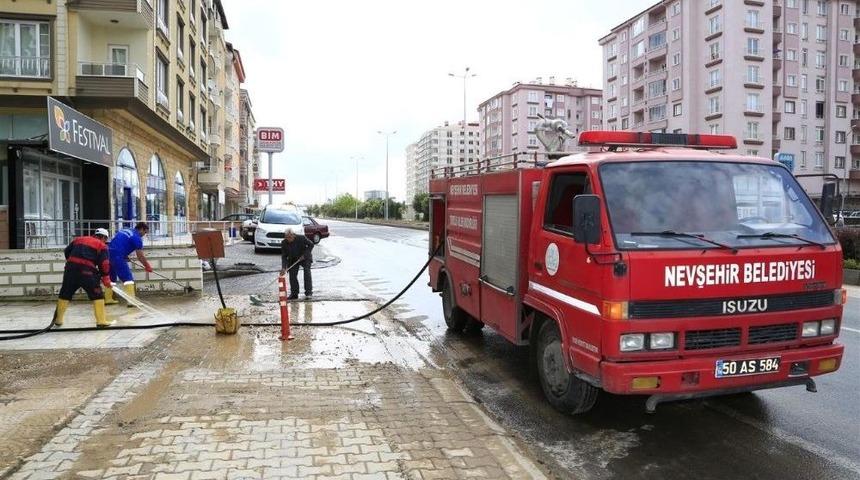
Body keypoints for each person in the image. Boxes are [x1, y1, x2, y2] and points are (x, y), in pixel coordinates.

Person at [54, 228, 112, 327]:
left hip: (70, 271)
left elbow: (67, 251)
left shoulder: (78, 239)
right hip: (87, 273)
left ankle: (58, 320)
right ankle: (101, 321)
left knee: (65, 294)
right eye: (106, 239)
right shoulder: (101, 245)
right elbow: (104, 263)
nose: (106, 242)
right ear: (103, 237)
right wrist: (105, 277)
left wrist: (72, 262)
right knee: (97, 295)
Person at [107, 222, 152, 306]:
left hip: (108, 253)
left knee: (110, 277)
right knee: (128, 278)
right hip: (118, 256)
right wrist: (147, 266)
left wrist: (124, 255)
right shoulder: (137, 238)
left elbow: (119, 243)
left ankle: (108, 299)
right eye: (145, 232)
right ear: (141, 229)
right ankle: (131, 301)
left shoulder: (125, 230)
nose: (144, 235)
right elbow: (140, 256)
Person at [280, 230, 314, 299]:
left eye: (290, 237)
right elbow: (284, 256)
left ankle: (308, 292)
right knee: (292, 274)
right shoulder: (284, 243)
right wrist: (283, 267)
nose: (288, 239)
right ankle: (294, 294)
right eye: (287, 237)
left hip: (304, 257)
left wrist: (304, 255)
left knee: (307, 271)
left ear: (294, 235)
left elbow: (311, 244)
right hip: (293, 259)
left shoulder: (301, 238)